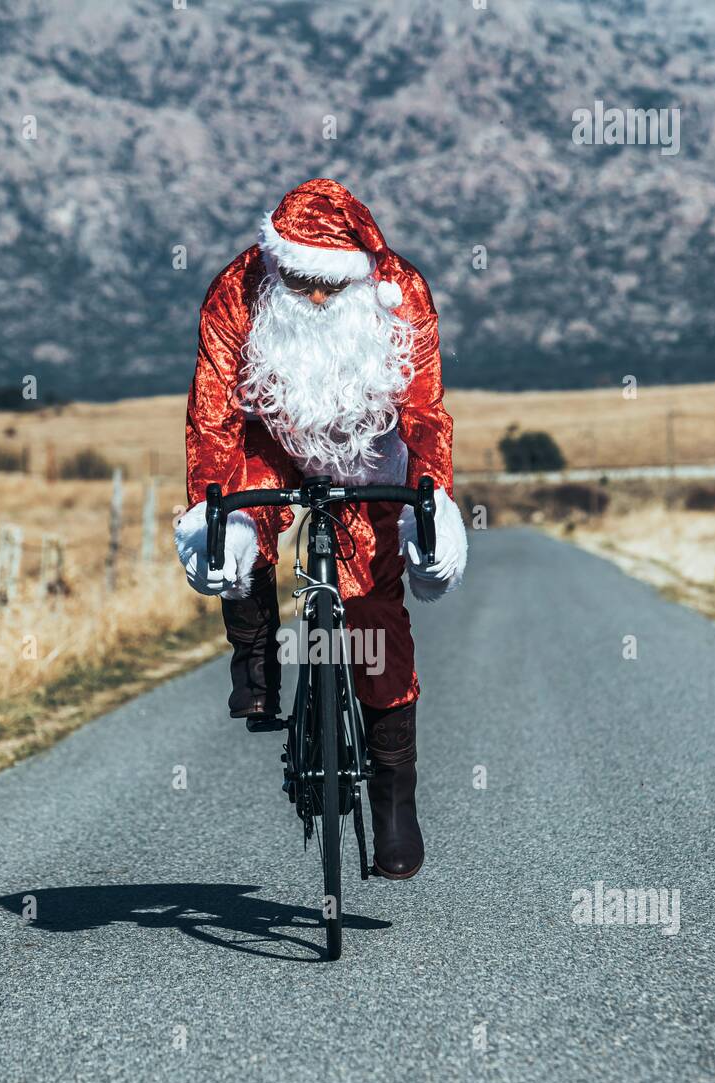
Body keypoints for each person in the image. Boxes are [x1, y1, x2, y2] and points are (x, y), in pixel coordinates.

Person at [174, 179, 467, 879]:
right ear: (275, 264)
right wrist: (213, 508)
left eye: (326, 287)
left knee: (374, 604)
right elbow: (212, 411)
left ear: (359, 276)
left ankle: (396, 802)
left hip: (370, 444)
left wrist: (429, 502)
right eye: (297, 281)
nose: (309, 297)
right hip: (270, 435)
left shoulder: (402, 290)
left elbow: (425, 411)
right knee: (234, 522)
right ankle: (254, 657)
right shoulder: (235, 290)